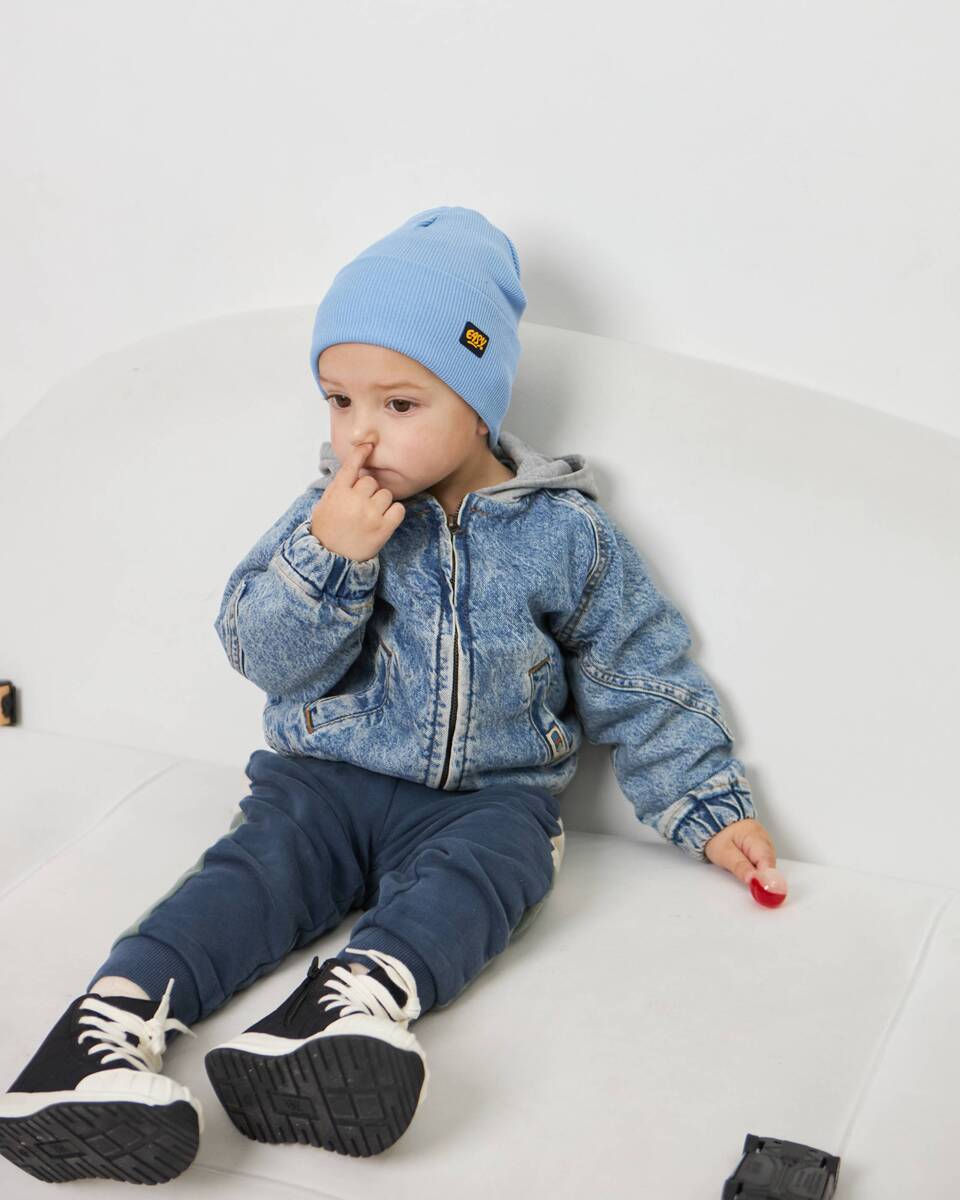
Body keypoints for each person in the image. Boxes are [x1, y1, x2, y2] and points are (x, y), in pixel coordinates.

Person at [0, 206, 781, 1185]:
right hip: (322, 783)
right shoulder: (325, 514)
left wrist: (707, 805)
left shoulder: (564, 535)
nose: (359, 435)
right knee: (245, 882)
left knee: (497, 870)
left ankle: (347, 1007)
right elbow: (262, 653)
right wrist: (331, 558)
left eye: (400, 404)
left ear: (479, 400)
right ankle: (98, 1036)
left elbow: (638, 671)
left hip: (487, 799)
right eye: (338, 400)